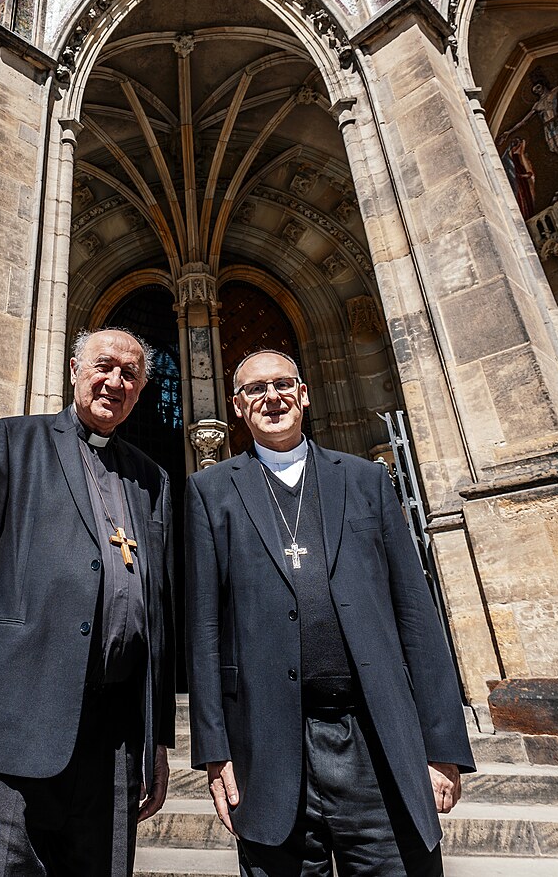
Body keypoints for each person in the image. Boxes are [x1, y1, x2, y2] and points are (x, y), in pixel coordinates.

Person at [186, 349, 474, 877]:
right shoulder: (210, 491)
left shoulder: (365, 480)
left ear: (304, 394)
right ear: (237, 406)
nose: (271, 397)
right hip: (268, 745)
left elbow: (415, 614)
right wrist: (214, 751)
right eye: (255, 389)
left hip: (376, 740)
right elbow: (204, 629)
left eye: (282, 384)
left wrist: (443, 745)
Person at [0, 328, 175, 876]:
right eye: (104, 366)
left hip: (112, 743)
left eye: (130, 374)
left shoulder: (152, 479)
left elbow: (158, 614)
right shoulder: (14, 442)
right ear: (74, 370)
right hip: (11, 730)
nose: (115, 381)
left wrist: (156, 738)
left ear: (141, 389)